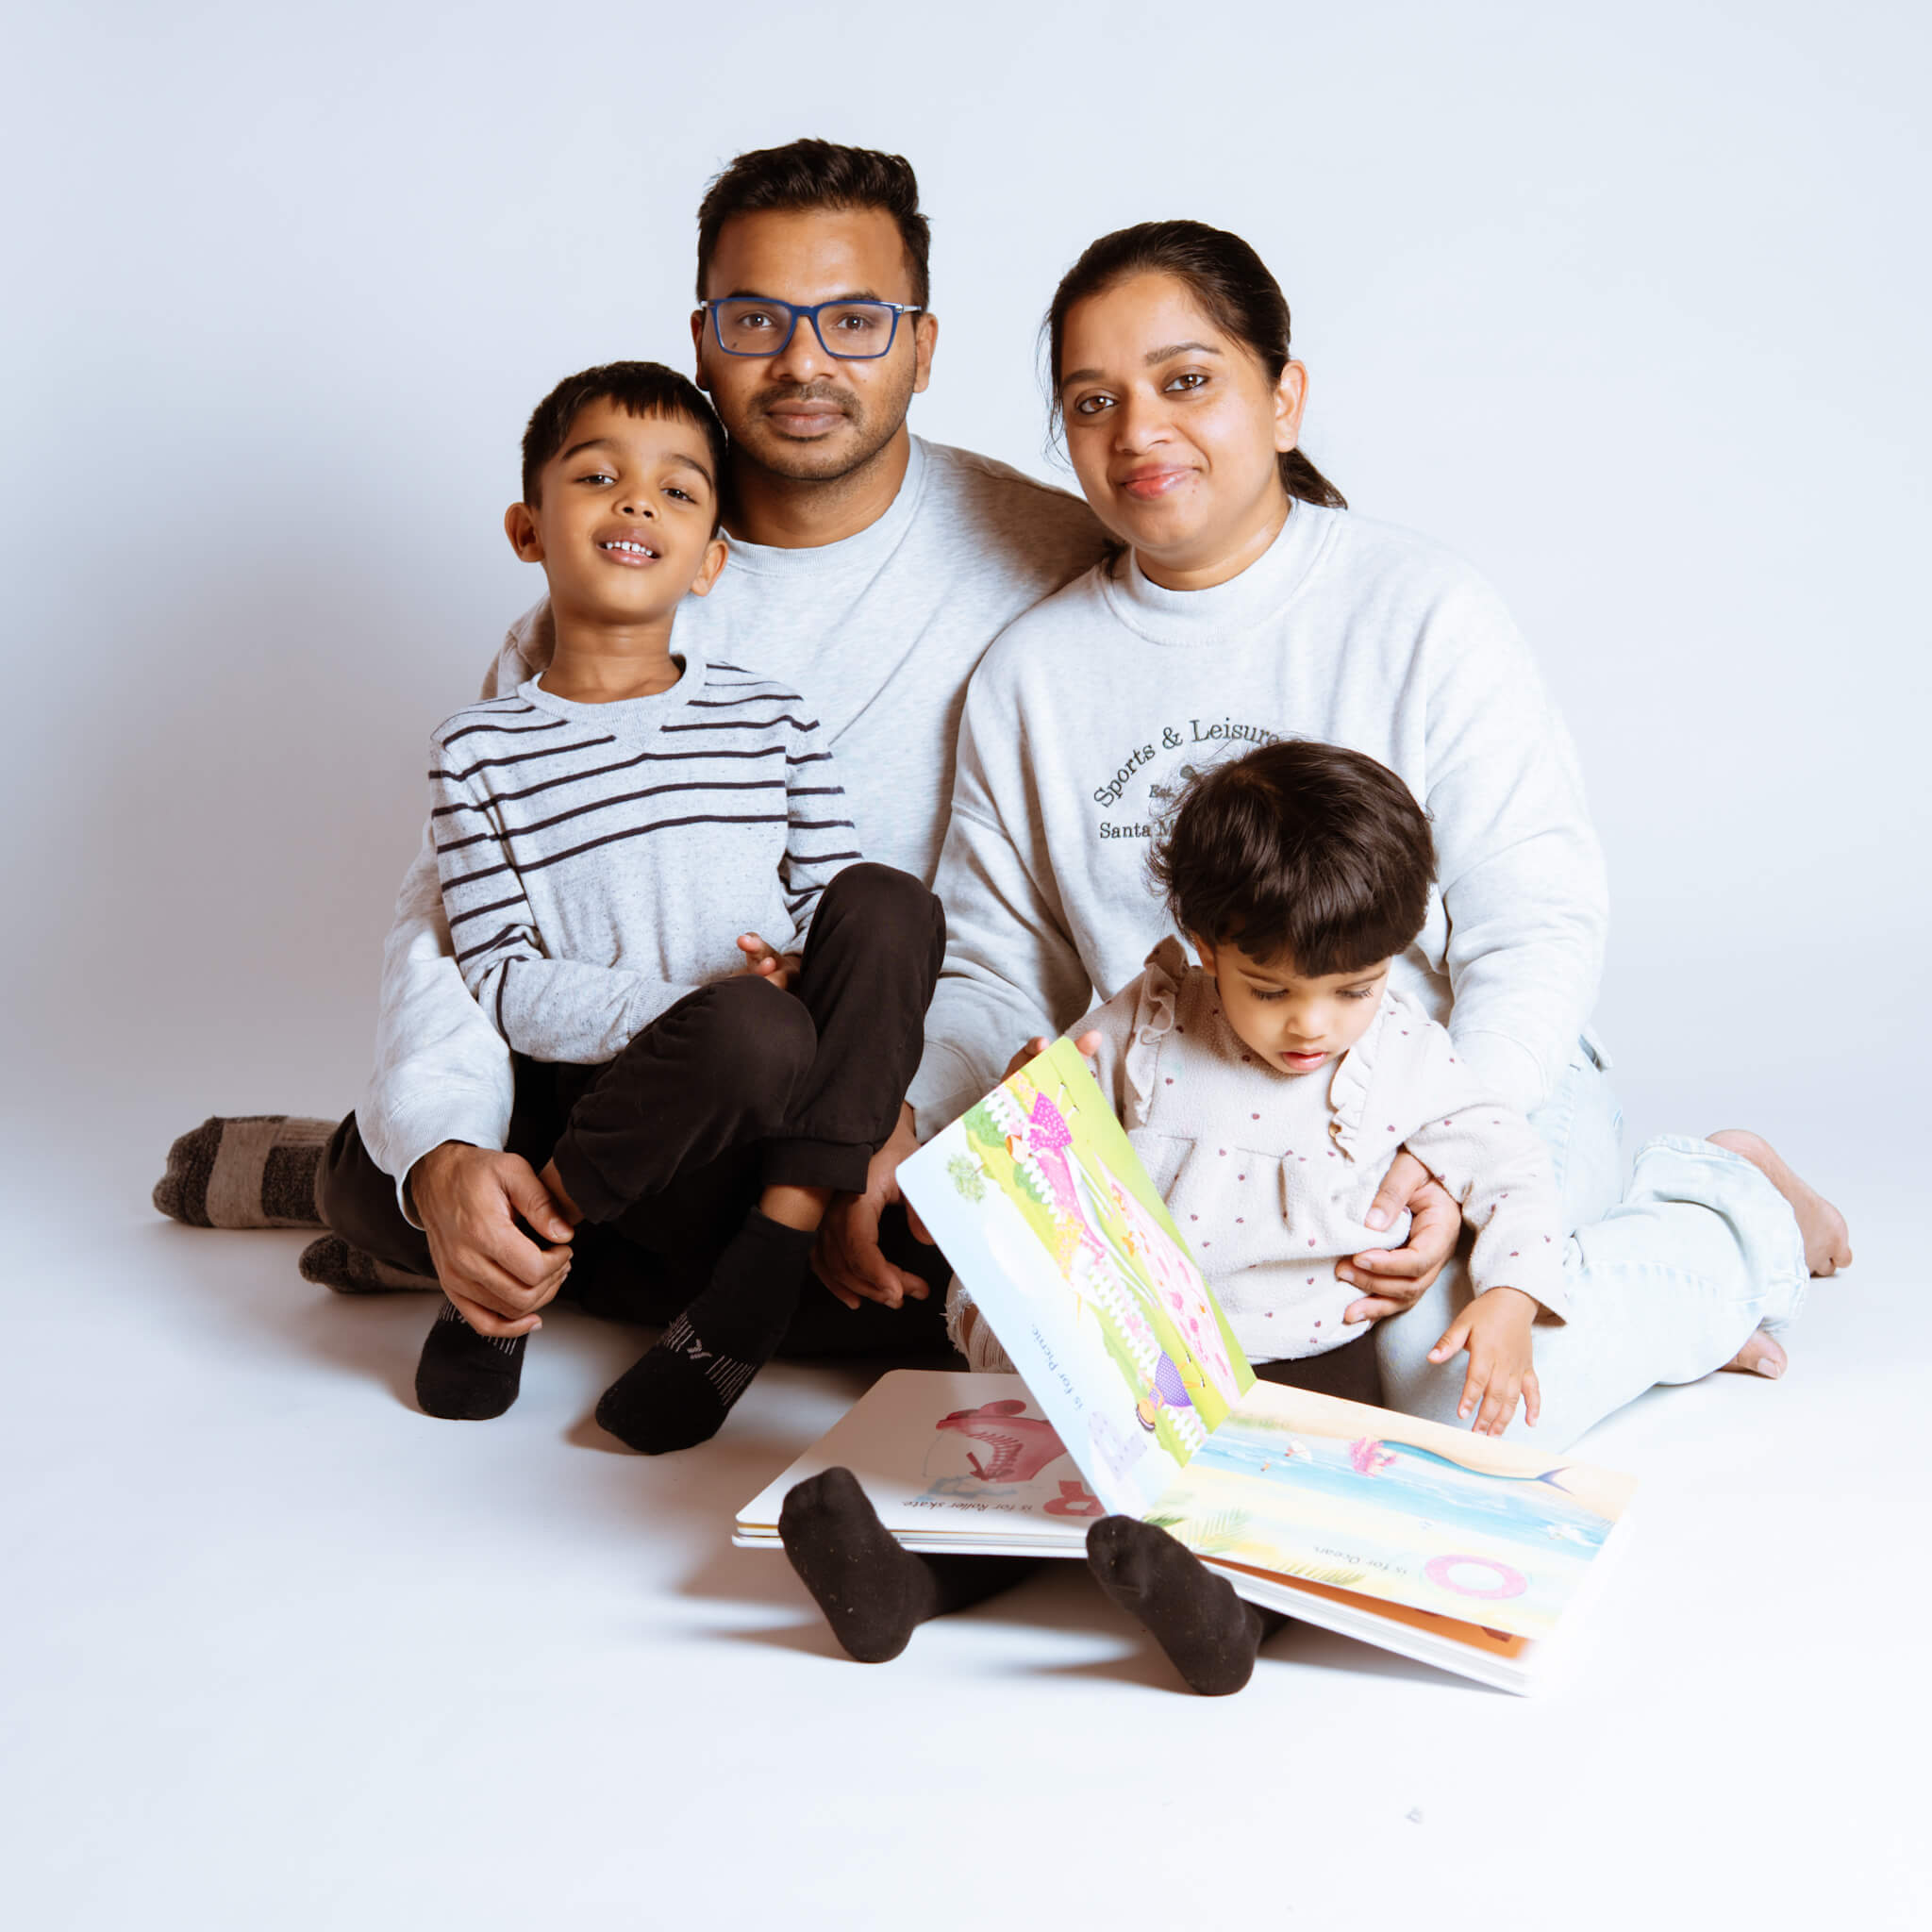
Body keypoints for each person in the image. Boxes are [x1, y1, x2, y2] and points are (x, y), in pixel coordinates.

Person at [899, 218, 1850, 1439]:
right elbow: (992, 964)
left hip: (1454, 1083)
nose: (1138, 432)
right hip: (1203, 1125)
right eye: (1093, 402)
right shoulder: (1031, 676)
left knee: (1439, 1391)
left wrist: (1451, 1156)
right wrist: (952, 1118)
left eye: (1187, 382)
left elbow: (1536, 917)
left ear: (1284, 399)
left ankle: (1730, 1212)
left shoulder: (1417, 607)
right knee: (1143, 1398)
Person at [779, 740, 1843, 1690]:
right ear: (1201, 940)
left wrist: (1512, 1295)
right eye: (1270, 987)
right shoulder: (1147, 1017)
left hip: (1306, 1353)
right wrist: (1020, 1127)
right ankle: (897, 1578)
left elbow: (1507, 1165)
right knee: (1025, 1474)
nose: (1311, 1024)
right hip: (1140, 1343)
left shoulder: (1399, 1054)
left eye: (1350, 988)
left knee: (1280, 1516)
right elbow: (1052, 1126)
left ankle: (1220, 1617)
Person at [303, 142, 1118, 1360]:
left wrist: (911, 1113)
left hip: (880, 1077)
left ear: (924, 345)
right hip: (657, 1069)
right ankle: (436, 1213)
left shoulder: (1050, 559)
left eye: (855, 319)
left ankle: (479, 1237)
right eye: (757, 319)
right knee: (398, 1166)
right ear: (701, 337)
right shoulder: (616, 565)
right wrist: (448, 1156)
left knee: (930, 1286)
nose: (803, 363)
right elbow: (453, 910)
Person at [412, 359, 944, 1451]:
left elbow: (826, 902)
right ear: (528, 529)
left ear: (709, 561)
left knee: (887, 902)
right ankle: (526, 1249)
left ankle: (763, 1266)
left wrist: (795, 972)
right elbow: (500, 975)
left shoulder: (770, 717)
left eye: (676, 489)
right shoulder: (480, 748)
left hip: (773, 1138)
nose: (635, 501)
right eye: (597, 476)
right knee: (748, 1027)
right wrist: (700, 1006)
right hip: (627, 1121)